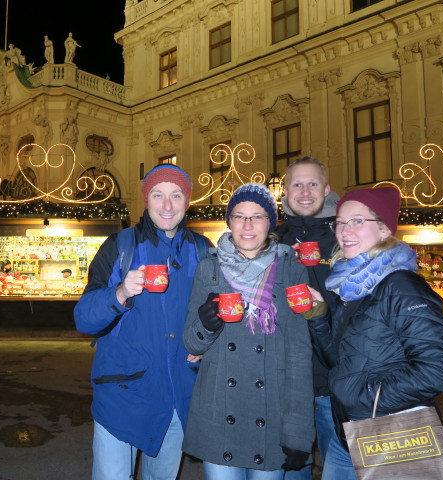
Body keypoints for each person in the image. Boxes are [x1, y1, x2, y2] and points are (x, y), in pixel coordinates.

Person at [307, 187, 443, 479]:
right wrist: (317, 315)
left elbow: (440, 370)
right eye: (339, 221)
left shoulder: (401, 286)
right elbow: (339, 362)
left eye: (357, 221)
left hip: (392, 435)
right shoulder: (350, 287)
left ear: (384, 228)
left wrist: (364, 398)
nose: (344, 231)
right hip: (347, 435)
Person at [74, 164, 210, 480]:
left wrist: (206, 343)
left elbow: (214, 310)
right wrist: (120, 293)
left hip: (177, 395)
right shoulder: (120, 247)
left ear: (187, 201)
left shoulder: (202, 250)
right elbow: (84, 319)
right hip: (122, 393)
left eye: (176, 195)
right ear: (146, 201)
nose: (167, 205)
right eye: (158, 195)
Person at [183, 183, 322, 479]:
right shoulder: (209, 268)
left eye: (257, 216)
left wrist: (299, 432)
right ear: (229, 221)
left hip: (271, 413)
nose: (247, 225)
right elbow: (191, 343)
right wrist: (206, 324)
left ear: (270, 223)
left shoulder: (289, 269)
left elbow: (298, 355)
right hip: (220, 410)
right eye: (239, 216)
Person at [274, 156, 342, 479]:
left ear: (326, 188)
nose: (304, 191)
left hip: (335, 382)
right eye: (296, 185)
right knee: (291, 472)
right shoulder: (273, 241)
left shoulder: (346, 236)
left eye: (312, 183)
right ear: (285, 192)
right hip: (288, 383)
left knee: (339, 469)